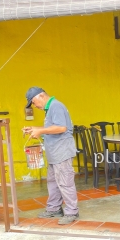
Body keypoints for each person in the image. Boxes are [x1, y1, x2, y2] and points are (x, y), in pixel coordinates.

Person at [22, 87, 79, 225]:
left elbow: (61, 128)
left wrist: (40, 131)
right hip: (54, 153)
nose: (34, 106)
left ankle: (72, 211)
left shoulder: (56, 106)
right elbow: (52, 128)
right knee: (53, 182)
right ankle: (54, 208)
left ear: (41, 96)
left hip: (62, 152)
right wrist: (35, 129)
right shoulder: (50, 108)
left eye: (34, 102)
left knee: (65, 182)